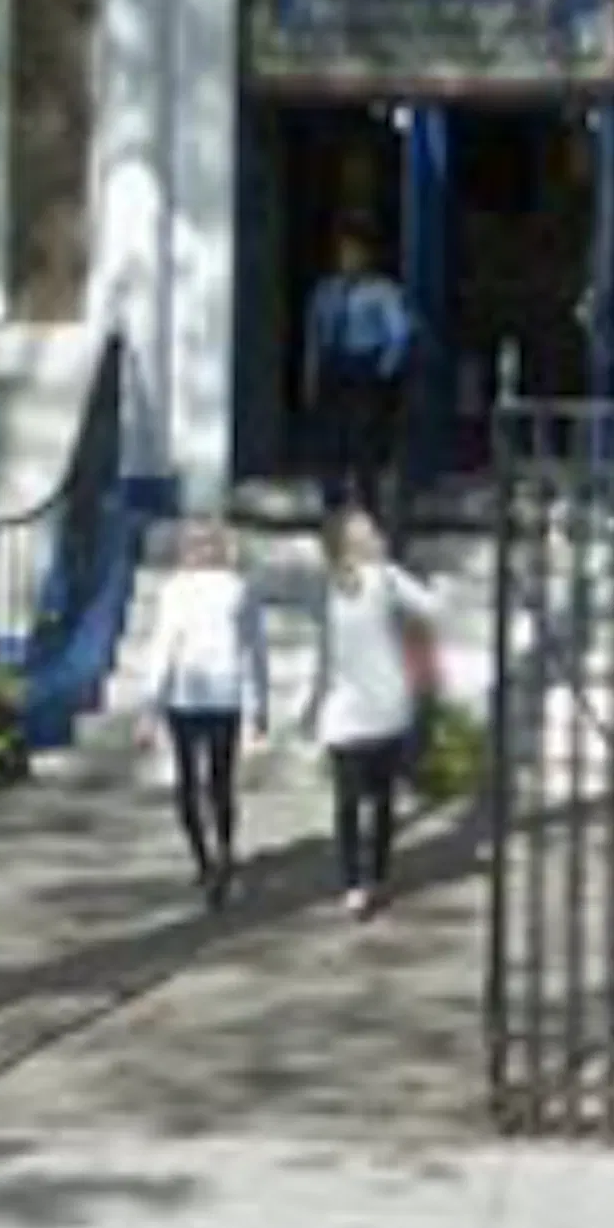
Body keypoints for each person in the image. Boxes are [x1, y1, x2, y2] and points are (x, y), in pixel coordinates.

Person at [298, 507, 440, 920]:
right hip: (345, 706)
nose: (374, 536)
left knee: (380, 798)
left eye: (372, 530)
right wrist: (314, 700)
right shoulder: (327, 585)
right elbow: (325, 649)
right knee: (348, 800)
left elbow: (430, 608)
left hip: (385, 703)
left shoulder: (388, 578)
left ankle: (374, 874)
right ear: (343, 541)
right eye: (363, 532)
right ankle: (353, 882)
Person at [134, 519, 270, 909]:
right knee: (217, 781)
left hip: (194, 696)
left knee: (194, 782)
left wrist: (150, 706)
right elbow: (254, 651)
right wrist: (259, 704)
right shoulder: (233, 588)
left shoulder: (184, 590)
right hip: (216, 695)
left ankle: (208, 859)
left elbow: (164, 648)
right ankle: (219, 853)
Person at [302, 221, 417, 533]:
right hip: (333, 370)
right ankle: (332, 509)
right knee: (331, 444)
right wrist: (311, 375)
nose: (349, 259)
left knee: (364, 443)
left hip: (365, 370)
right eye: (344, 253)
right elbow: (315, 336)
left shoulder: (382, 292)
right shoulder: (326, 291)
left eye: (355, 252)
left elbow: (399, 333)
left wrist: (385, 371)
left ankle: (369, 510)